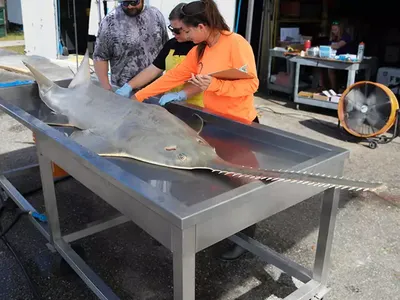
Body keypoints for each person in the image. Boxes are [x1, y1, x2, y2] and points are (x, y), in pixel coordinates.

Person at [132, 0, 260, 260]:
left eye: (187, 32)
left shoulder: (236, 44)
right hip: (214, 122)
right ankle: (213, 230)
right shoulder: (200, 50)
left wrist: (215, 86)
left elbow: (251, 84)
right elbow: (175, 75)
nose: (185, 37)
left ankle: (245, 240)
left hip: (240, 125)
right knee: (214, 179)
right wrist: (139, 96)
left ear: (201, 26)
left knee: (244, 184)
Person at [116, 3, 204, 107]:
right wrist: (129, 86)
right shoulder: (171, 45)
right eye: (171, 29)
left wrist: (181, 95)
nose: (173, 34)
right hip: (169, 103)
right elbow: (153, 70)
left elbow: (203, 81)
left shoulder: (202, 48)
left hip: (195, 108)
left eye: (177, 31)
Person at [93, 0, 169, 91]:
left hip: (155, 88)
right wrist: (106, 87)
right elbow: (100, 57)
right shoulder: (110, 21)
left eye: (134, 2)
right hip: (123, 90)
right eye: (125, 3)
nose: (129, 6)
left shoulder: (156, 15)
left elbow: (166, 48)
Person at [318, 21, 352, 91]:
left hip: (343, 59)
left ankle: (334, 89)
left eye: (335, 30)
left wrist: (325, 47)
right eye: (332, 30)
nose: (334, 32)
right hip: (333, 58)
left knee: (331, 69)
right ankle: (324, 87)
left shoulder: (346, 36)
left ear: (340, 29)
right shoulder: (333, 37)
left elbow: (338, 46)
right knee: (321, 67)